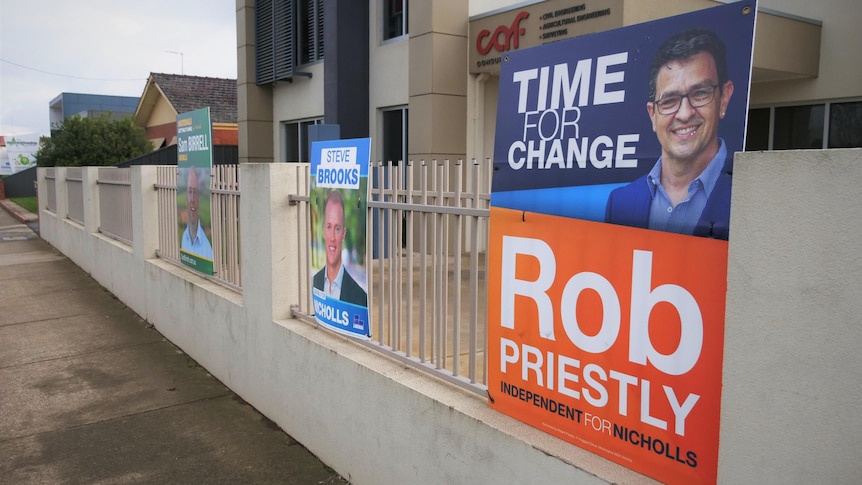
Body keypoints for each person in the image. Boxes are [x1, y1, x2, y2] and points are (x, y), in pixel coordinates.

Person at [605, 27, 735, 240]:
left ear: (724, 98)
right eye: (669, 101)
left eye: (700, 93)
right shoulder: (620, 202)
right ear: (652, 115)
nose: (684, 114)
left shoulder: (750, 202)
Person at [313, 190, 368, 306]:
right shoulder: (315, 281)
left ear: (343, 233)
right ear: (323, 230)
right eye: (329, 227)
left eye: (337, 228)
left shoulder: (360, 296)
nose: (332, 237)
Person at [181, 166, 214, 259]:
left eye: (195, 192)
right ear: (185, 198)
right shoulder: (184, 237)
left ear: (199, 198)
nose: (192, 199)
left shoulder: (207, 248)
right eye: (189, 191)